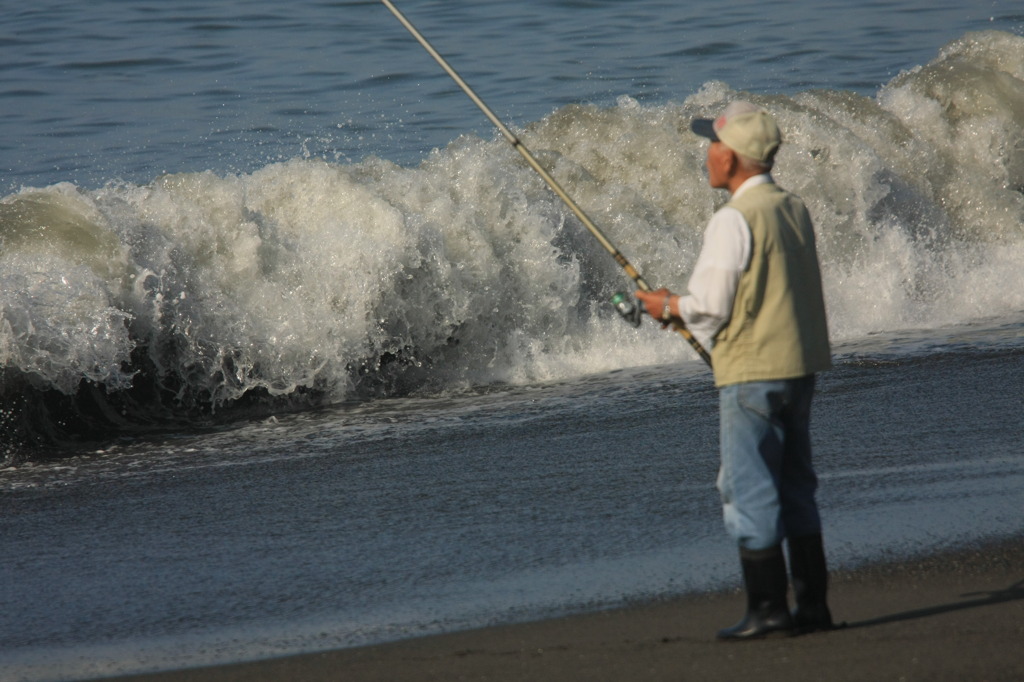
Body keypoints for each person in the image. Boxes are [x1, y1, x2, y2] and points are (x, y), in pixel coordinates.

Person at [635, 101, 835, 640]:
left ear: (733, 157)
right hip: (799, 367)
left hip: (751, 373)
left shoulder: (732, 219)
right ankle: (813, 607)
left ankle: (768, 609)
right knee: (795, 484)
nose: (707, 154)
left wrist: (665, 306)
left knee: (748, 487)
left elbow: (710, 304)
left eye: (713, 145)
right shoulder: (792, 208)